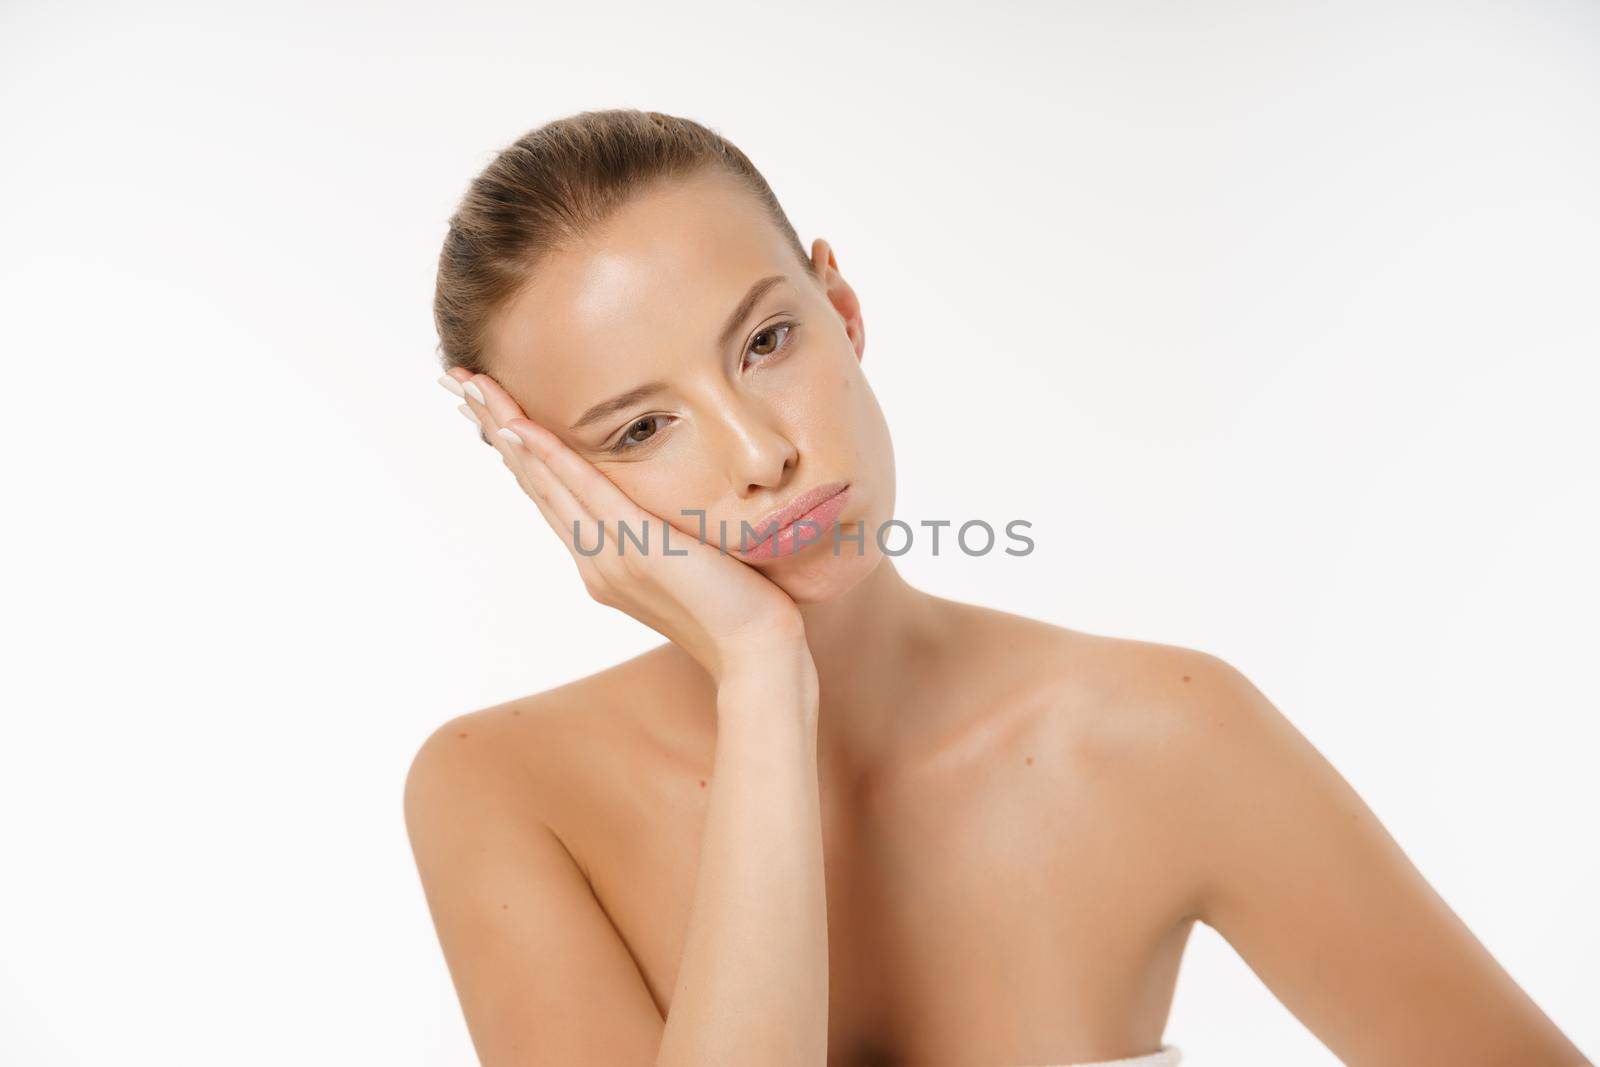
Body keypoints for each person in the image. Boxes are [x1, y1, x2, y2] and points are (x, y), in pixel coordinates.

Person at [403, 108, 1588, 1067]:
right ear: (548, 482)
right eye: (643, 427)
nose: (760, 453)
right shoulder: (504, 793)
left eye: (766, 341)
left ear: (843, 307)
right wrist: (762, 679)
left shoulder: (1165, 731)